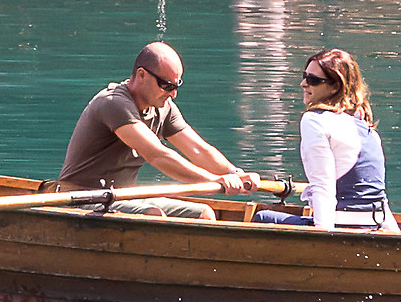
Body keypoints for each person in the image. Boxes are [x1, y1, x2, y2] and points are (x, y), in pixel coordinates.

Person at [59, 42, 261, 219]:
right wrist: (213, 180)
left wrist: (235, 173)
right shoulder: (113, 103)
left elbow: (198, 150)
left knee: (204, 214)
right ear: (141, 75)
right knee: (154, 216)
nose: (173, 94)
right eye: (166, 85)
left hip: (122, 197)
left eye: (176, 86)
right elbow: (157, 155)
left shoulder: (164, 107)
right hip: (81, 198)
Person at [255, 48, 397, 232]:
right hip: (376, 224)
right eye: (305, 76)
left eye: (313, 80)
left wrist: (323, 236)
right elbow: (378, 197)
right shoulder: (366, 127)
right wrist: (396, 234)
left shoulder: (314, 120)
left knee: (263, 217)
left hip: (341, 226)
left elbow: (323, 185)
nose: (303, 84)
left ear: (336, 87)